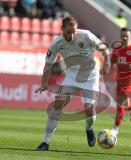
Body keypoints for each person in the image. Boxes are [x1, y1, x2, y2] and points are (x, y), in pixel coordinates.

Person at [34, 15, 111, 151]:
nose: (72, 35)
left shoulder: (86, 35)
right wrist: (44, 83)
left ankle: (88, 128)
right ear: (62, 29)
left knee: (89, 110)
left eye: (74, 31)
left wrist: (107, 61)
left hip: (90, 75)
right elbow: (48, 65)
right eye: (69, 32)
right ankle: (45, 142)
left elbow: (104, 48)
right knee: (57, 104)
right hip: (71, 75)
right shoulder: (56, 43)